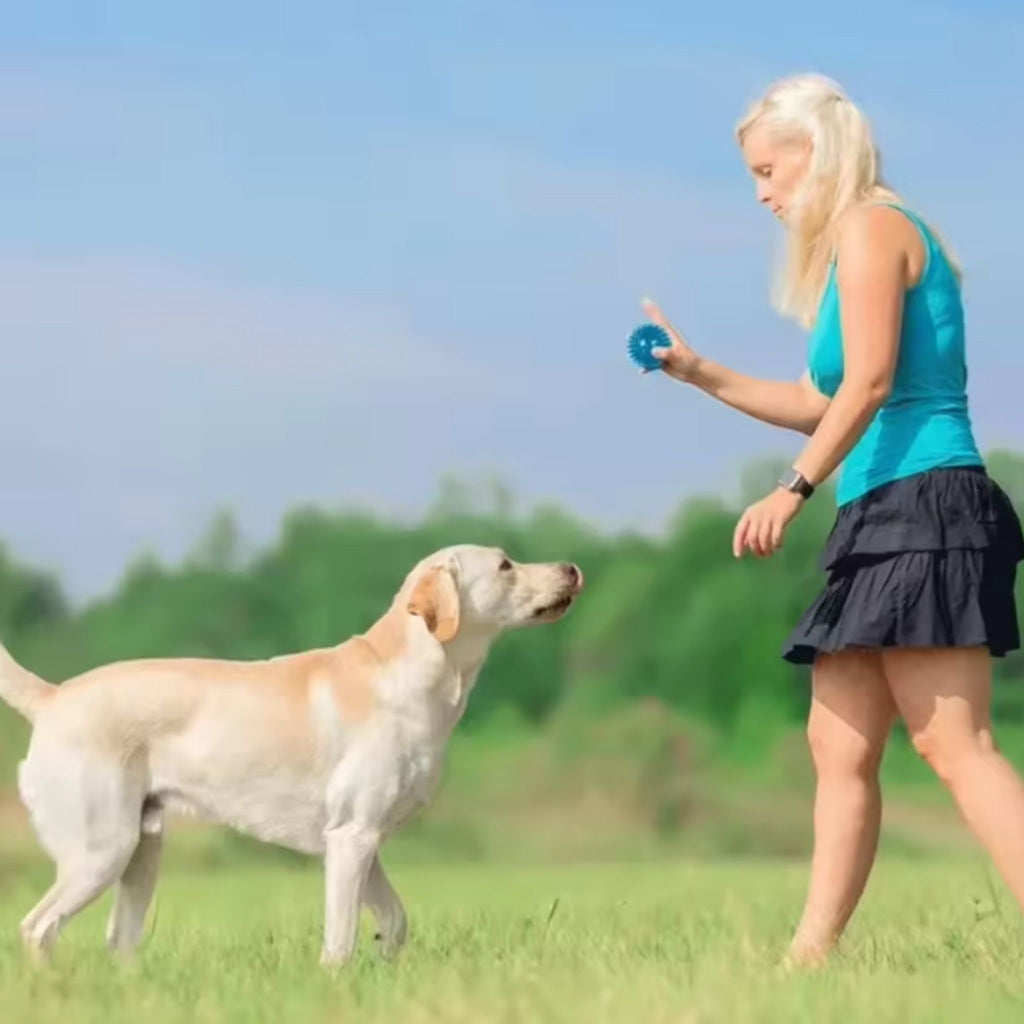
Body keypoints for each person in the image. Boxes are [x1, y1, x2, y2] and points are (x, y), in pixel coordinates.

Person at [643, 72, 1024, 967]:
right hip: (878, 508)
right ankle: (807, 962)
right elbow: (823, 398)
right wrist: (701, 373)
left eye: (769, 171)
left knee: (954, 745)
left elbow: (875, 383)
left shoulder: (873, 227)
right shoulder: (845, 254)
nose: (763, 194)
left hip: (927, 500)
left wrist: (793, 489)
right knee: (837, 743)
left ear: (819, 152)